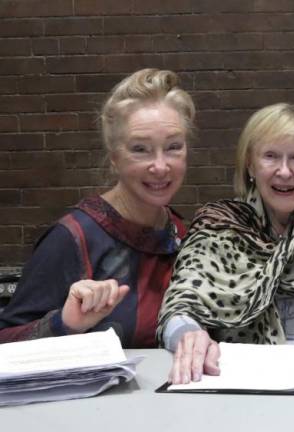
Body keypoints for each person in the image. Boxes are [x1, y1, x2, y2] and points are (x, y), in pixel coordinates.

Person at [159, 103, 294, 384]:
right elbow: (178, 309)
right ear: (250, 163)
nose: (284, 171)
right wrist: (189, 335)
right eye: (270, 156)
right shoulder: (217, 227)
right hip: (236, 387)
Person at [0, 68, 192, 347]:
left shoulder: (183, 233)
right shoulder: (73, 237)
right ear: (114, 157)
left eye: (173, 147)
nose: (160, 166)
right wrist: (62, 323)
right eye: (140, 149)